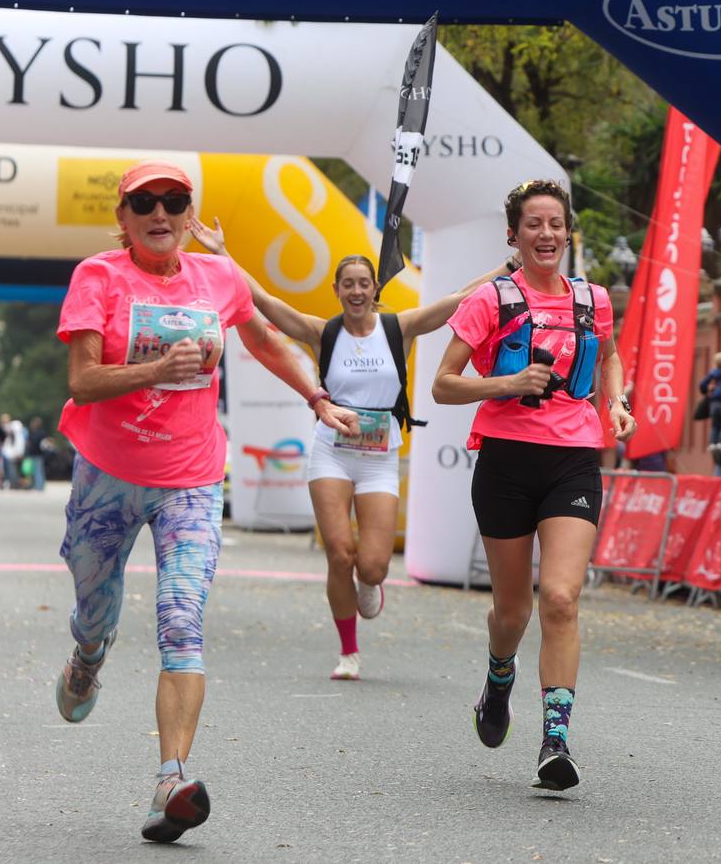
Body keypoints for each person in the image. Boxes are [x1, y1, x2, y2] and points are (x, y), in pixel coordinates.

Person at [52, 160, 358, 844]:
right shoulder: (98, 277)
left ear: (190, 214)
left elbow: (263, 341)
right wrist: (157, 371)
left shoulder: (218, 278)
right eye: (144, 204)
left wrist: (317, 398)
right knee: (94, 609)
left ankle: (171, 778)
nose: (160, 214)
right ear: (123, 219)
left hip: (190, 477)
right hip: (107, 474)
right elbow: (82, 379)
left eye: (174, 201)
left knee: (181, 619)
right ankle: (88, 655)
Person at [191, 217, 511, 681]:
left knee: (374, 566)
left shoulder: (398, 328)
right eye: (348, 285)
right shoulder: (323, 332)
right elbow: (263, 300)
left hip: (379, 458)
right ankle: (348, 651)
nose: (357, 291)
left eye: (364, 284)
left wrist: (508, 266)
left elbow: (458, 300)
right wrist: (222, 252)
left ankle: (370, 583)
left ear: (375, 288)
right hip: (332, 453)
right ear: (338, 290)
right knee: (339, 553)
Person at [432, 179, 636, 792]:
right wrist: (507, 384)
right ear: (514, 236)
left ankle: (555, 738)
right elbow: (444, 383)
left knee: (562, 598)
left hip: (573, 459)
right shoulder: (490, 300)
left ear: (567, 233)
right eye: (533, 225)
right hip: (507, 461)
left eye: (555, 224)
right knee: (513, 610)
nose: (545, 234)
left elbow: (608, 357)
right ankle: (499, 679)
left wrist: (616, 402)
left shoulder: (593, 298)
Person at [0, 413, 26, 489]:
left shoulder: (12, 430)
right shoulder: (16, 431)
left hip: (12, 453)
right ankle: (14, 483)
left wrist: (18, 452)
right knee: (13, 469)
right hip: (12, 452)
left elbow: (17, 442)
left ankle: (14, 483)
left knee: (12, 469)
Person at [25, 416, 51, 491]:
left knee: (38, 470)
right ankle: (37, 485)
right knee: (36, 470)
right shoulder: (35, 433)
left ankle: (39, 486)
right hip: (35, 454)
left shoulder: (40, 433)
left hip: (38, 454)